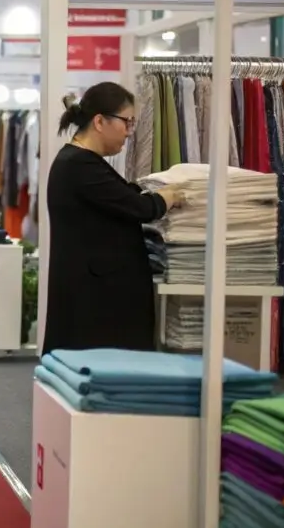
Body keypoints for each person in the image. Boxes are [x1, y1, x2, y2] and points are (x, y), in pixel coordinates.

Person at [43, 82, 185, 355]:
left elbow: (120, 197)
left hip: (96, 289)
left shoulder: (83, 163)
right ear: (99, 121)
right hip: (97, 296)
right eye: (126, 122)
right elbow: (139, 207)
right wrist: (167, 197)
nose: (129, 133)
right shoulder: (79, 165)